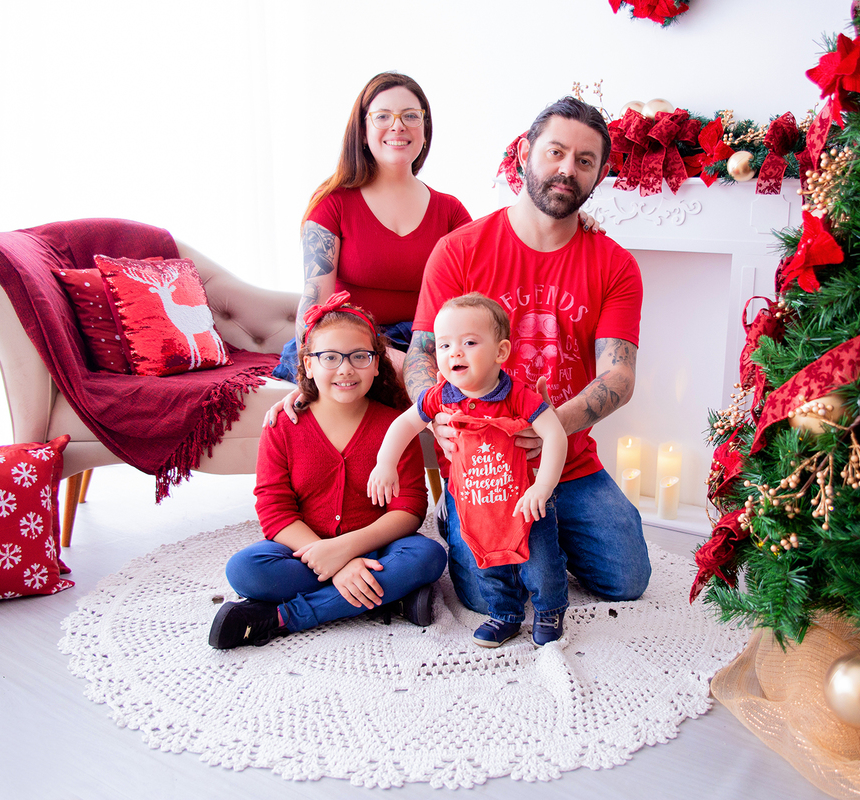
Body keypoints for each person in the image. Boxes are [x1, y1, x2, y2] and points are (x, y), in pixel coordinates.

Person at [403, 97, 651, 619]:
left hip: (570, 463)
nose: (567, 168)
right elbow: (422, 356)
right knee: (488, 599)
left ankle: (548, 525)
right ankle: (466, 516)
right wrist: (439, 417)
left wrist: (548, 429)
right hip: (482, 465)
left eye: (584, 160)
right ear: (523, 153)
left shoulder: (616, 265)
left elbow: (619, 375)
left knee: (627, 581)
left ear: (599, 174)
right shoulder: (459, 251)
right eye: (555, 151)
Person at [210, 293, 446, 649]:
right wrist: (332, 560)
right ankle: (394, 597)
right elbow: (274, 509)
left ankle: (280, 617)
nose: (346, 368)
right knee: (245, 569)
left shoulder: (396, 427)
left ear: (377, 364)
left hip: (379, 547)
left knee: (428, 556)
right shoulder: (282, 426)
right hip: (309, 552)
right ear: (307, 365)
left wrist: (346, 550)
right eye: (330, 357)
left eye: (360, 357)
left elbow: (410, 509)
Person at [368, 293, 569, 648]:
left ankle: (550, 608)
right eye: (444, 345)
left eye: (469, 342)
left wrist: (544, 487)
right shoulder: (440, 396)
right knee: (486, 563)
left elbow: (555, 434)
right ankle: (504, 614)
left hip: (523, 501)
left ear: (501, 352)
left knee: (540, 562)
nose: (454, 353)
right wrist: (386, 463)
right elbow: (404, 424)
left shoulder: (517, 395)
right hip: (473, 504)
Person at [270, 71, 472, 385]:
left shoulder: (451, 211)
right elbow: (315, 302)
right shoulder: (332, 203)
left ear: (424, 129)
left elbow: (475, 296)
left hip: (427, 343)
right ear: (363, 131)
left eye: (410, 116)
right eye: (382, 116)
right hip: (350, 343)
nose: (398, 125)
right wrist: (309, 377)